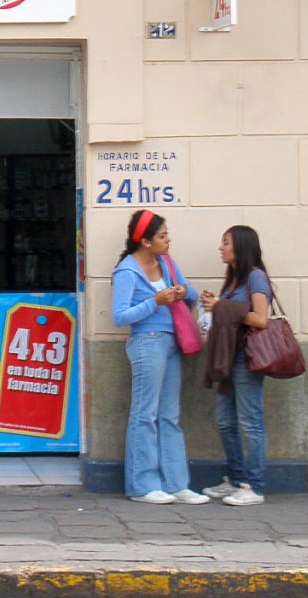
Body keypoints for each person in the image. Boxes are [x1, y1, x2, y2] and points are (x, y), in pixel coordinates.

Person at [111, 209, 209, 505]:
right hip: (147, 343)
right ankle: (142, 485)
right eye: (162, 236)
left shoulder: (166, 262)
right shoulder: (127, 271)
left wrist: (182, 290)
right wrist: (154, 301)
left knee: (170, 415)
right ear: (145, 241)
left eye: (167, 234)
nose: (169, 240)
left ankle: (176, 483)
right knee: (145, 413)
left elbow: (189, 292)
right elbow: (120, 316)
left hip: (171, 341)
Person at [199, 225, 272, 506]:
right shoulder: (232, 280)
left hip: (246, 357)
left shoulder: (256, 277)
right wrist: (214, 304)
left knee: (251, 422)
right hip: (227, 358)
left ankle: (254, 486)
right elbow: (229, 314)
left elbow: (260, 319)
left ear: (240, 246)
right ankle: (236, 478)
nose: (221, 247)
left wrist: (221, 307)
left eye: (226, 242)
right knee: (225, 422)